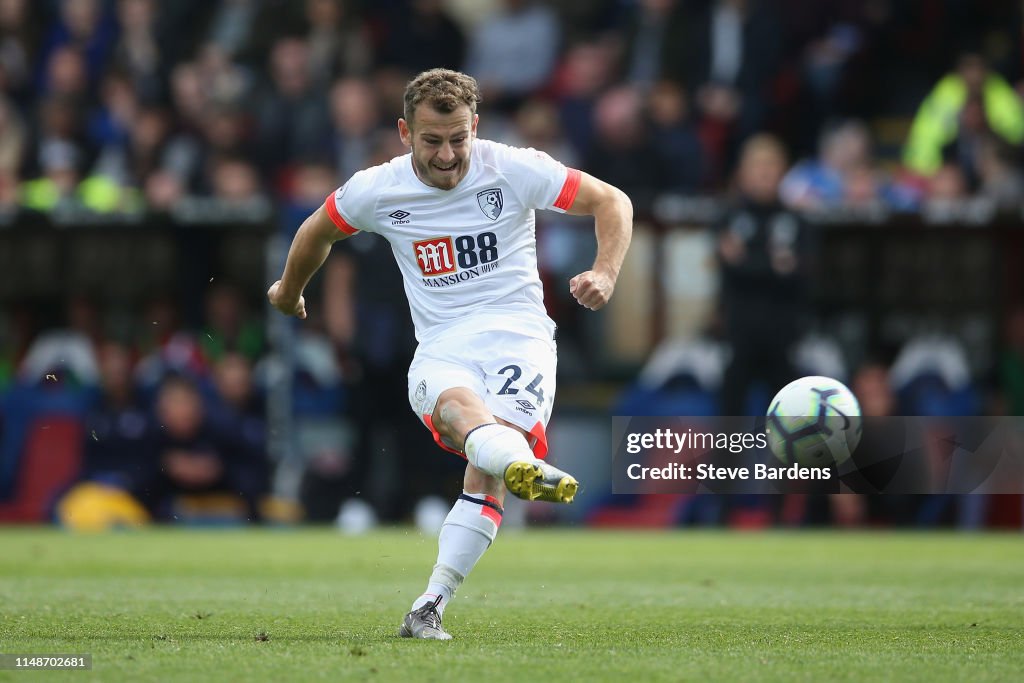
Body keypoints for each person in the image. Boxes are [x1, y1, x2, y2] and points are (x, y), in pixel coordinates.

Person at [267, 68, 632, 639]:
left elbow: (612, 202)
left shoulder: (511, 168)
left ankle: (428, 606)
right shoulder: (377, 188)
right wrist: (290, 291)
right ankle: (518, 462)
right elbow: (316, 231)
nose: (446, 155)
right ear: (403, 132)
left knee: (483, 472)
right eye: (431, 140)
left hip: (520, 339)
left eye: (458, 138)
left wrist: (605, 273)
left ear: (475, 127)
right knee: (462, 418)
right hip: (442, 345)